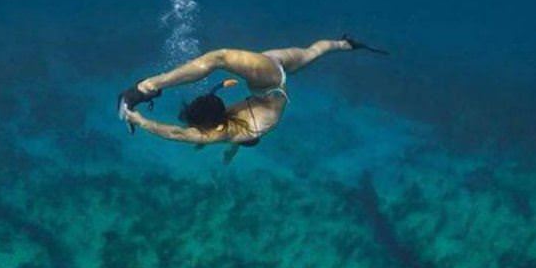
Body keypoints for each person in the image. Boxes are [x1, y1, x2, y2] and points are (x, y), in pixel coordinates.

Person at [118, 36, 387, 162]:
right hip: (269, 80)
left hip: (275, 80)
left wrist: (138, 119)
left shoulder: (233, 130)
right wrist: (138, 119)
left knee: (311, 53)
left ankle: (345, 44)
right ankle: (149, 86)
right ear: (216, 124)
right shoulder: (225, 130)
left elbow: (183, 132)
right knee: (219, 57)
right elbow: (176, 133)